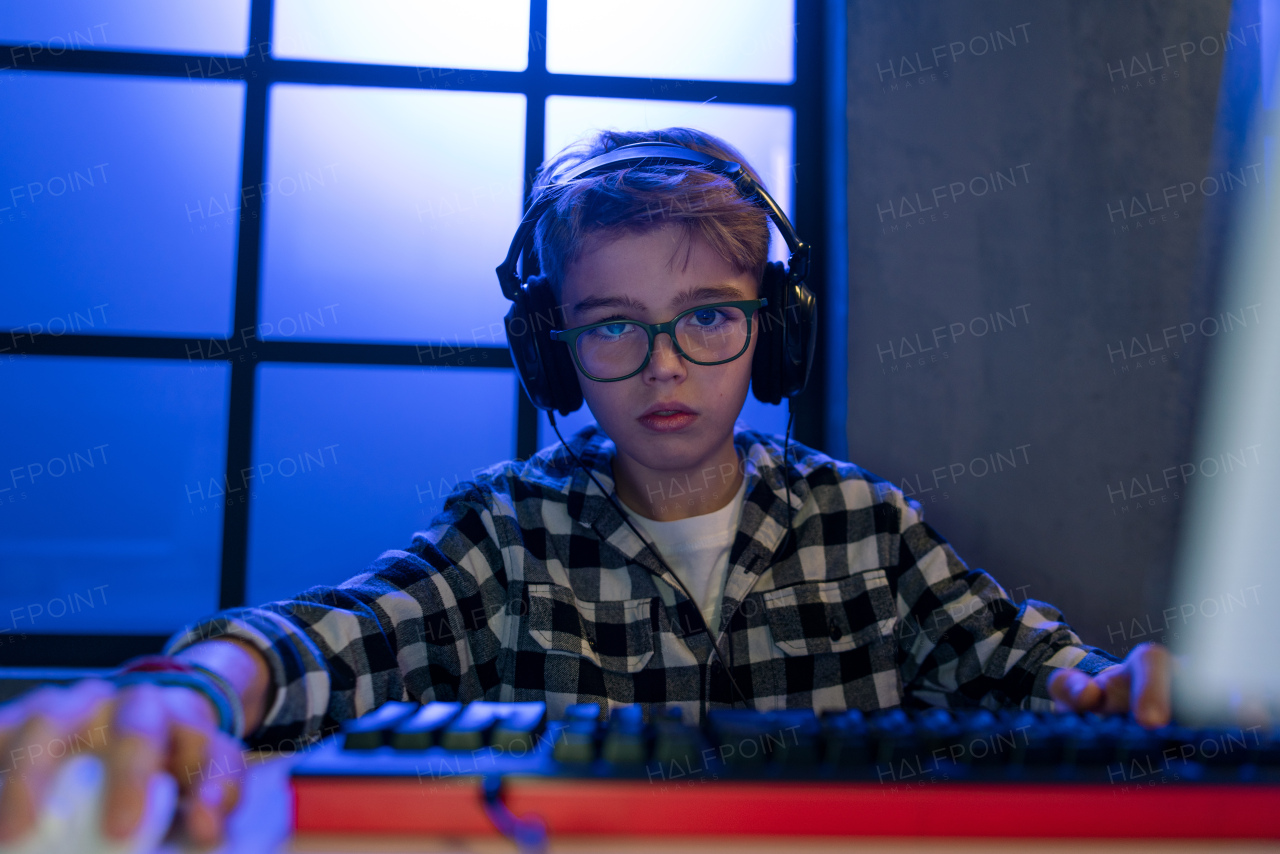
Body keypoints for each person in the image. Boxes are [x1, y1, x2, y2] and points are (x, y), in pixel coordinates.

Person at [0, 127, 1172, 845]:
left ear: (772, 334)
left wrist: (1104, 688)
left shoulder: (864, 519)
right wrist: (197, 687)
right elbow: (345, 634)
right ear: (554, 353)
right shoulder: (508, 529)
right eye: (611, 327)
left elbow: (1027, 667)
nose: (662, 364)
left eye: (708, 316)